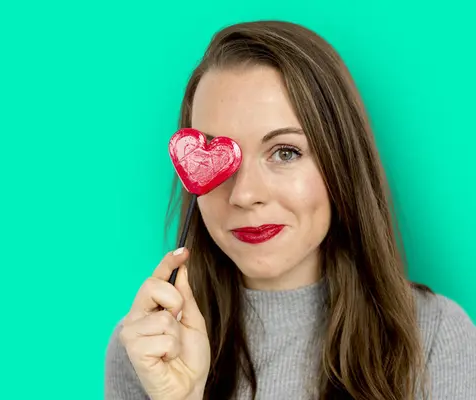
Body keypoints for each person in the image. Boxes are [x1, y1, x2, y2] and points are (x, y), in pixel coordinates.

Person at [104, 20, 476, 399]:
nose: (245, 195)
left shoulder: (435, 335)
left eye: (285, 152)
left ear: (340, 164)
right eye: (219, 157)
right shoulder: (147, 347)